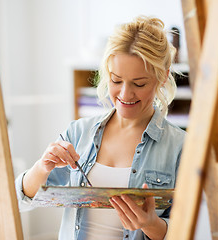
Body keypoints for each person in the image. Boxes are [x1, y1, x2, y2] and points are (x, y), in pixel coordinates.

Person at [15, 15, 186, 240]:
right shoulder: (78, 133)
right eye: (116, 81)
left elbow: (192, 230)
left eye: (139, 83)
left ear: (162, 77)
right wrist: (41, 167)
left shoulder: (181, 148)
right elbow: (19, 201)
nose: (125, 94)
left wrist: (152, 225)